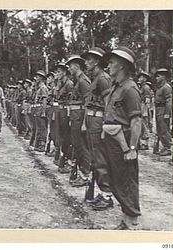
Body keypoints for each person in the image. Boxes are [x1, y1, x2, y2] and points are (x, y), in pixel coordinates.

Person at [103, 46, 142, 230]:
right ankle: (126, 216)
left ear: (122, 65)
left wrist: (132, 149)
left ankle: (131, 219)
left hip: (124, 140)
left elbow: (136, 121)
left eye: (111, 62)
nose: (108, 65)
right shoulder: (115, 86)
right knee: (115, 178)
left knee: (127, 178)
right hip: (112, 138)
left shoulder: (130, 89)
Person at [81, 47, 113, 210]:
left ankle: (107, 195)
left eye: (89, 60)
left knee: (100, 158)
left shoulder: (103, 78)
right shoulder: (95, 78)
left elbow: (109, 103)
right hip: (91, 118)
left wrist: (105, 126)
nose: (86, 63)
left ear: (98, 61)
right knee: (94, 157)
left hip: (99, 119)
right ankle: (101, 192)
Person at [65, 55, 91, 187]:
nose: (69, 68)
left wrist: (85, 123)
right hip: (75, 116)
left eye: (70, 66)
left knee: (81, 146)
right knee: (77, 146)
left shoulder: (83, 81)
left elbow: (88, 102)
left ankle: (85, 174)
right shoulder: (78, 80)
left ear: (77, 66)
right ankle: (82, 172)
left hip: (80, 117)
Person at [55, 62, 74, 173]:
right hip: (61, 110)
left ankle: (66, 161)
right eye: (57, 72)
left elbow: (71, 100)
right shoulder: (60, 84)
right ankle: (62, 160)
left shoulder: (69, 84)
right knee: (62, 136)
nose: (57, 74)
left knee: (67, 137)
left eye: (59, 72)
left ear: (65, 72)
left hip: (66, 111)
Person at [154, 68, 173, 156]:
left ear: (164, 77)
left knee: (164, 129)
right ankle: (164, 147)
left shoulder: (166, 87)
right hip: (158, 109)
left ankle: (168, 147)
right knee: (159, 129)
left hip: (163, 109)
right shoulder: (160, 87)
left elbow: (169, 101)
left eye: (159, 76)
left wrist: (167, 113)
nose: (156, 78)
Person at [33, 70, 49, 152]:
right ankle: (39, 144)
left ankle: (42, 145)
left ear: (42, 78)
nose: (36, 78)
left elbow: (44, 100)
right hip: (37, 109)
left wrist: (43, 111)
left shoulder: (43, 88)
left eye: (38, 77)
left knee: (43, 128)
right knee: (39, 128)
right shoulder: (38, 88)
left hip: (41, 109)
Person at [137, 71, 152, 150]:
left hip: (144, 108)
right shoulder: (141, 87)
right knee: (140, 126)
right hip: (140, 107)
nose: (139, 79)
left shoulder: (146, 87)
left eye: (141, 77)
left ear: (145, 79)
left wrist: (144, 112)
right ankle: (140, 143)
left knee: (144, 127)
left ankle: (145, 144)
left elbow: (147, 101)